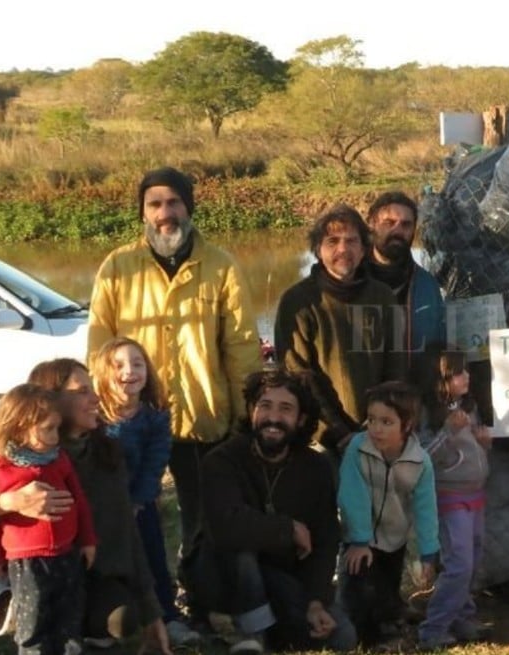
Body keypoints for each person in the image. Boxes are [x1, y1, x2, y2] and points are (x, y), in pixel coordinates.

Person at [0, 358, 170, 655]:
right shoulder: (6, 448)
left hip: (73, 568)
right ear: (50, 399)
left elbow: (128, 531)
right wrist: (7, 502)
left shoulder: (104, 452)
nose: (96, 398)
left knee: (120, 618)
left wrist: (154, 616)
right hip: (15, 562)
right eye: (81, 391)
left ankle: (67, 627)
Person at [88, 166, 262, 568]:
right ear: (143, 213)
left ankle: (199, 596)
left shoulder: (221, 266)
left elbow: (241, 346)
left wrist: (245, 412)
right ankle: (144, 604)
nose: (165, 213)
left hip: (202, 415)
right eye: (155, 204)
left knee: (204, 517)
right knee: (130, 510)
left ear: (189, 207)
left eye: (173, 202)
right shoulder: (117, 267)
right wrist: (102, 408)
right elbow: (100, 346)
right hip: (132, 415)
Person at [184, 369, 356, 654]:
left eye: (285, 409)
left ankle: (262, 629)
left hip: (279, 573)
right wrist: (288, 529)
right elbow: (227, 527)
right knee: (241, 547)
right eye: (265, 406)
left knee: (342, 636)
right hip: (222, 572)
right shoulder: (222, 460)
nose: (273, 418)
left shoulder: (316, 467)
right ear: (252, 410)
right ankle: (249, 635)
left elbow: (325, 538)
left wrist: (315, 601)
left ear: (301, 420)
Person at [90, 337, 199, 646]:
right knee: (102, 559)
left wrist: (139, 499)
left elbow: (156, 461)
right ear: (103, 372)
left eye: (137, 364)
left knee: (152, 556)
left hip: (140, 501)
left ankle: (166, 615)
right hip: (101, 506)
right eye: (119, 365)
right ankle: (98, 620)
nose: (130, 371)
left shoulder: (155, 414)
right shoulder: (96, 417)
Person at [0, 384, 96, 655]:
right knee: (34, 623)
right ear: (19, 427)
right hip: (27, 561)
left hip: (67, 554)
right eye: (48, 429)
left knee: (69, 617)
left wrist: (87, 540)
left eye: (56, 428)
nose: (55, 436)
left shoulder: (57, 459)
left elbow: (80, 501)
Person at [274, 204, 405, 452]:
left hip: (378, 432)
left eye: (351, 241)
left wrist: (382, 421)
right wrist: (337, 432)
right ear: (317, 249)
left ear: (364, 248)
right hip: (321, 437)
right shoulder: (298, 301)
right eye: (332, 241)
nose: (343, 249)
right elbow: (298, 374)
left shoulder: (383, 295)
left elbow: (395, 364)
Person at [337, 381, 438, 648]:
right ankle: (363, 634)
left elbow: (426, 507)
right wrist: (359, 539)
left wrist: (429, 551)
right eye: (371, 420)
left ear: (406, 426)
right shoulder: (358, 450)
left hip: (395, 536)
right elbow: (351, 493)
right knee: (358, 586)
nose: (376, 429)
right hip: (359, 536)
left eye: (386, 422)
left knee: (386, 585)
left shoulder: (419, 462)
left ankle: (390, 622)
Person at [415, 345, 494, 650]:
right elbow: (423, 457)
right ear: (440, 379)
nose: (466, 377)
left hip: (475, 494)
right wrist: (447, 431)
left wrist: (485, 444)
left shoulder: (468, 407)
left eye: (466, 371)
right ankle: (433, 628)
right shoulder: (429, 414)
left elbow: (473, 451)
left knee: (472, 562)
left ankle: (462, 617)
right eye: (458, 372)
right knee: (459, 563)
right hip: (449, 497)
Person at [363, 191, 446, 373]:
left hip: (413, 394)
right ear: (372, 224)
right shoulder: (351, 281)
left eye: (406, 225)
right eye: (389, 223)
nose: (398, 231)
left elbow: (439, 346)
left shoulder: (428, 286)